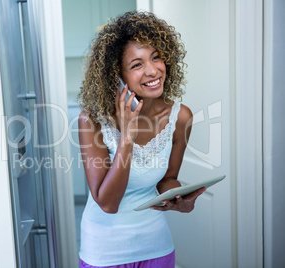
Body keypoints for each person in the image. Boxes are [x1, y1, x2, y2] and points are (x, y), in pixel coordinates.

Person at [77, 11, 206, 268]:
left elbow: (167, 179)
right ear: (117, 75)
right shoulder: (92, 120)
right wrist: (127, 136)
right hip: (104, 252)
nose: (152, 70)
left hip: (156, 246)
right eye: (137, 65)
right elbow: (108, 203)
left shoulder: (180, 117)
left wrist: (180, 201)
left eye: (156, 57)